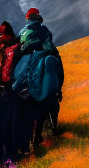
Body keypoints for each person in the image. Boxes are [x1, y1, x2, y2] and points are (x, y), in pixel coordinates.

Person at [19, 9, 62, 152]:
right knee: (57, 64)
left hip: (25, 67)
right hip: (41, 64)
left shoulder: (22, 32)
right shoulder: (43, 30)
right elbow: (49, 45)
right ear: (37, 17)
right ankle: (50, 130)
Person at [0, 21, 22, 164]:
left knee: (1, 125)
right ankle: (10, 158)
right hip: (12, 92)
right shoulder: (17, 48)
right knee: (12, 124)